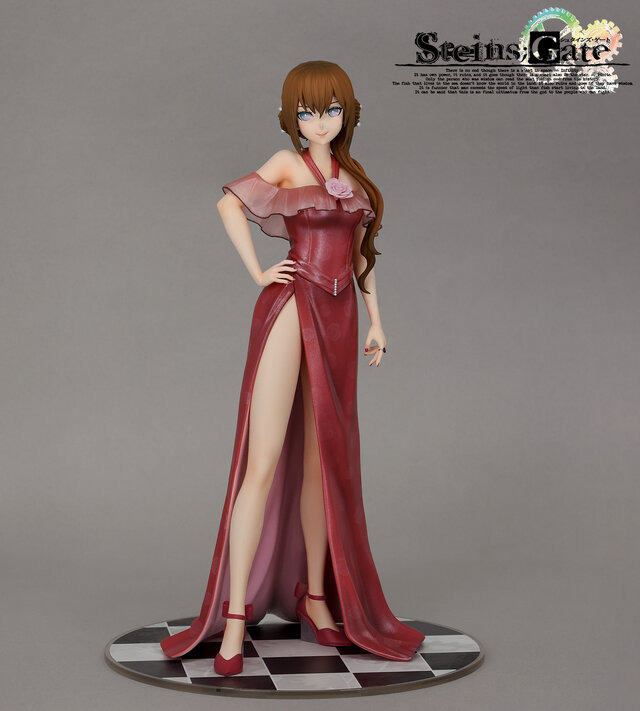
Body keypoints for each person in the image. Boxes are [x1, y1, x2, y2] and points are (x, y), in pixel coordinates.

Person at [160, 60, 424, 676]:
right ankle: (233, 617)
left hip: (340, 318)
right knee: (263, 460)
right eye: (307, 112)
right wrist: (258, 271)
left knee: (320, 462)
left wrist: (377, 320)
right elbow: (229, 204)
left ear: (347, 113)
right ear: (292, 117)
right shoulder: (286, 163)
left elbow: (361, 256)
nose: (319, 121)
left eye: (330, 109)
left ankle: (316, 597)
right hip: (292, 305)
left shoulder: (354, 177)